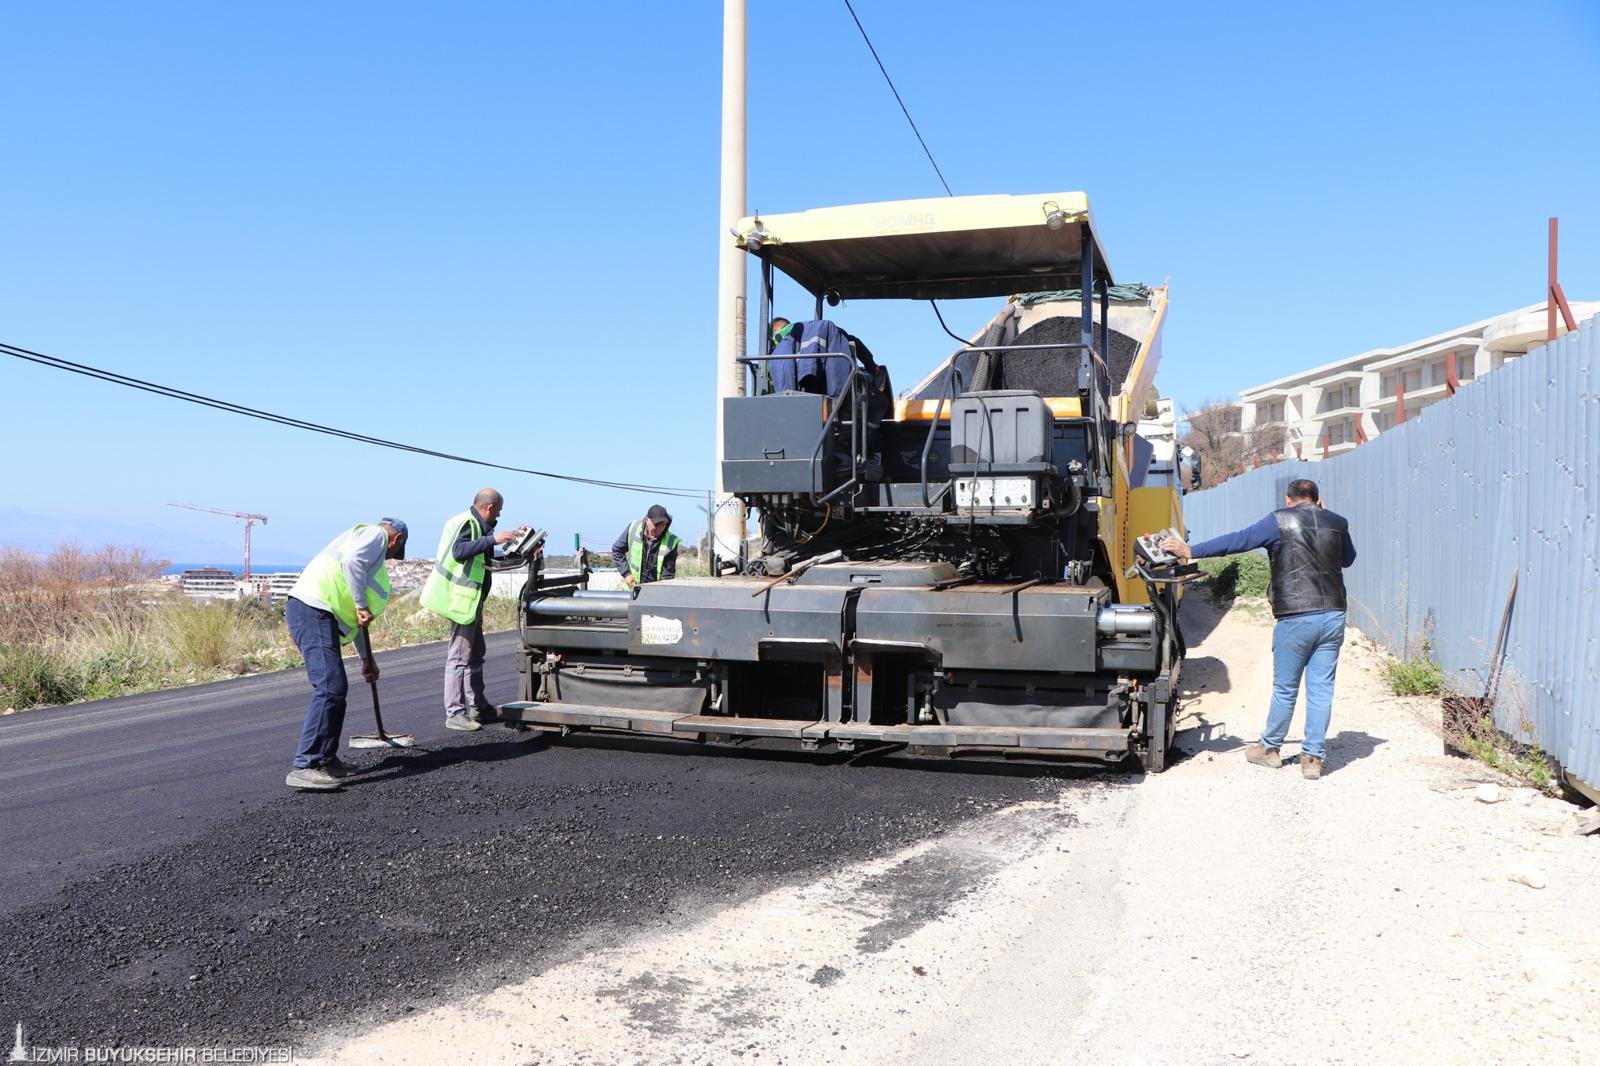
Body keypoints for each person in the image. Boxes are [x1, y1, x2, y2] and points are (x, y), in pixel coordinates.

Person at [1160, 478, 1356, 780]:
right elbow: (1348, 559)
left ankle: (1270, 749)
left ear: (1289, 500)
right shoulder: (1337, 522)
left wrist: (1190, 549)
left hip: (1295, 615)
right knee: (1321, 688)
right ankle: (1313, 758)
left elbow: (1238, 540)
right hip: (1332, 614)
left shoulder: (1279, 520)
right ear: (1318, 500)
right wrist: (1327, 520)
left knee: (1286, 687)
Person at [284, 517, 409, 791]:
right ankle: (306, 765)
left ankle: (326, 760)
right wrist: (362, 604)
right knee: (330, 686)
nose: (388, 560)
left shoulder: (362, 554)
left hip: (319, 613)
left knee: (336, 688)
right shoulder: (376, 535)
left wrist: (367, 659)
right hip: (312, 609)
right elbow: (353, 563)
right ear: (396, 540)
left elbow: (356, 620)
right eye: (392, 555)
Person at [420, 488, 526, 731]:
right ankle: (455, 712)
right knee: (459, 657)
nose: (497, 516)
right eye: (497, 511)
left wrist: (521, 551)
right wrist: (493, 539)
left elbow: (488, 559)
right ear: (489, 508)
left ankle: (478, 706)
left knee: (476, 653)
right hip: (460, 601)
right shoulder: (468, 523)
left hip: (470, 601)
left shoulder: (477, 526)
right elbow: (459, 552)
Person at [613, 504, 680, 587]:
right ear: (647, 520)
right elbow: (617, 550)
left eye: (663, 524)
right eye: (656, 525)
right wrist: (626, 574)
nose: (660, 529)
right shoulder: (633, 528)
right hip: (633, 588)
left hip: (656, 591)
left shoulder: (671, 541)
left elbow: (667, 576)